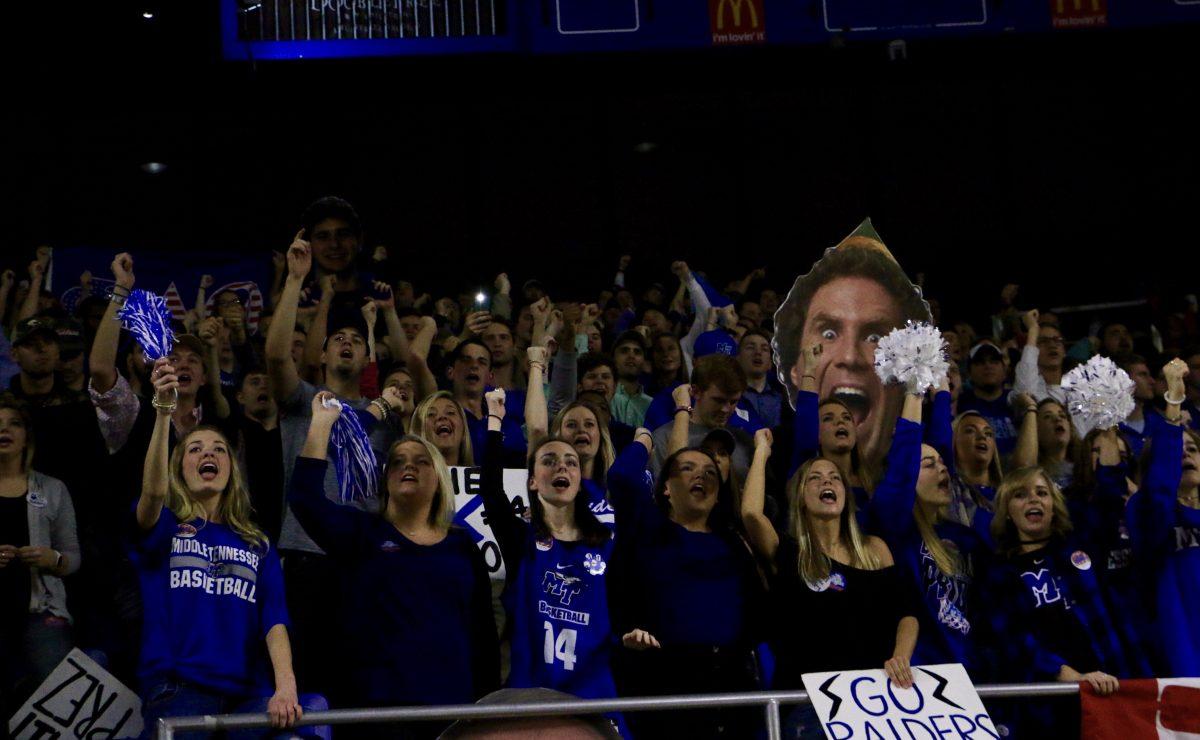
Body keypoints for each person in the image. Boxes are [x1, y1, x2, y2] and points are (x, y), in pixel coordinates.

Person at [290, 392, 498, 737]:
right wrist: (321, 424)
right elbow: (304, 497)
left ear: (439, 479)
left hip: (452, 711)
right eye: (398, 461)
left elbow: (482, 634)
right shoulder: (362, 534)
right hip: (373, 713)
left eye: (420, 460)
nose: (408, 466)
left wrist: (487, 705)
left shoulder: (464, 546)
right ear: (386, 478)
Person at [132, 358, 308, 737]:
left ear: (232, 469)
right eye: (194, 449)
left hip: (248, 693)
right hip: (178, 687)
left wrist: (286, 685)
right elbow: (152, 492)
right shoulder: (166, 527)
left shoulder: (257, 542)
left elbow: (274, 619)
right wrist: (163, 413)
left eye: (218, 450)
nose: (207, 455)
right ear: (179, 468)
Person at [266, 232, 399, 698]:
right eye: (335, 339)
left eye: (353, 341)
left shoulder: (385, 419)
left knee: (357, 679)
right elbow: (276, 355)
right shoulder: (303, 400)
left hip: (361, 557)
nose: (344, 343)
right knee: (305, 681)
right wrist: (294, 280)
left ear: (365, 356)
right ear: (321, 354)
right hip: (304, 556)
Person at [740, 429, 916, 739]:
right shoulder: (791, 551)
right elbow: (751, 513)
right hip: (812, 704)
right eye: (815, 478)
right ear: (801, 497)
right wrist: (762, 450)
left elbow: (906, 613)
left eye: (834, 477)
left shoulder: (875, 549)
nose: (827, 482)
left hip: (876, 702)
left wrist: (900, 656)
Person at [475, 391, 623, 734]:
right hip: (531, 697)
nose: (562, 466)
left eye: (571, 461)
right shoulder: (522, 541)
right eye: (550, 460)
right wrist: (495, 421)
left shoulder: (608, 543)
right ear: (531, 480)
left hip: (595, 697)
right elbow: (491, 493)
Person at [606, 431, 766, 739]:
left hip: (732, 688)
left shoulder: (734, 543)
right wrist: (645, 438)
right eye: (688, 468)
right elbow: (623, 476)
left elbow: (757, 620)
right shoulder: (649, 531)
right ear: (665, 487)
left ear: (719, 494)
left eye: (710, 473)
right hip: (668, 686)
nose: (701, 476)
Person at [771, 226, 931, 473]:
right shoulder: (795, 475)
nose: (849, 357)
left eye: (875, 336)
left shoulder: (891, 502)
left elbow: (903, 474)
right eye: (829, 334)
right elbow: (805, 440)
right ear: (795, 369)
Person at [983, 467, 1129, 736]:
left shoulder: (1082, 546)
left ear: (1054, 506)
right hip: (1048, 705)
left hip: (1111, 686)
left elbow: (1108, 501)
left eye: (1042, 493)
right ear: (1006, 511)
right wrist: (1070, 676)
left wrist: (1108, 430)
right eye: (1020, 494)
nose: (1034, 499)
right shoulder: (998, 573)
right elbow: (1014, 639)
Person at [866, 384, 991, 675]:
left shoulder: (964, 538)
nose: (943, 469)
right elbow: (902, 469)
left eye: (942, 465)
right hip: (916, 672)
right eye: (928, 464)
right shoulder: (894, 528)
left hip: (971, 669)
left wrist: (943, 394)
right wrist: (916, 391)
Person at [0, 396, 80, 718]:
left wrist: (53, 559)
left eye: (13, 423)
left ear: (26, 436)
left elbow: (74, 558)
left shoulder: (52, 488)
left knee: (61, 701)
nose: (4, 430)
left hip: (41, 610)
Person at [1127, 358, 1200, 676]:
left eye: (1193, 449)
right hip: (1183, 659)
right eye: (1175, 449)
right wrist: (1173, 403)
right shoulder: (1146, 511)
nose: (1185, 454)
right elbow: (1159, 493)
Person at [650, 355, 754, 481]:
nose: (726, 409)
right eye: (719, 400)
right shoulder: (664, 438)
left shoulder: (743, 440)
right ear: (696, 392)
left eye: (733, 402)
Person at [957, 341, 1019, 458]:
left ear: (1005, 370)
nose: (988, 366)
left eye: (994, 361)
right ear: (969, 372)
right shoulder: (961, 404)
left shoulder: (1016, 401)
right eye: (980, 362)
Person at [1014, 310, 1066, 403]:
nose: (1052, 345)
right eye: (1043, 341)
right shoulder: (1027, 387)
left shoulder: (1079, 387)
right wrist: (1033, 329)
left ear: (1064, 351)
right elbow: (1027, 396)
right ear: (1032, 350)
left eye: (1057, 340)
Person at [737, 330, 784, 429]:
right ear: (738, 358)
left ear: (770, 363)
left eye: (764, 349)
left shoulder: (783, 400)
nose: (758, 352)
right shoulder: (730, 398)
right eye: (750, 347)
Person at [609, 331, 653, 428]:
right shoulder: (605, 396)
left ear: (644, 362)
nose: (631, 356)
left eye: (637, 352)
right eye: (624, 351)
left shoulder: (651, 405)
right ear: (613, 359)